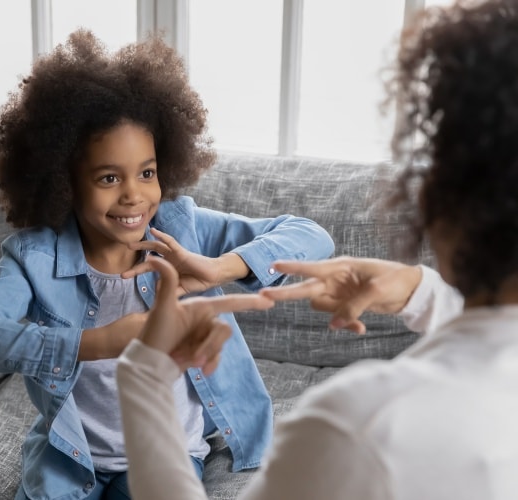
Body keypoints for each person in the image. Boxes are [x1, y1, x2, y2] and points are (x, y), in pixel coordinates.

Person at [115, 0, 518, 498]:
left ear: (442, 197)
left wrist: (144, 376)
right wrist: (421, 291)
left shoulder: (361, 425)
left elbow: (305, 233)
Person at [0, 30, 334, 500]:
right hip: (71, 456)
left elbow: (312, 236)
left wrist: (218, 269)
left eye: (147, 173)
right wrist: (97, 342)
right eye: (109, 177)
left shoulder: (182, 228)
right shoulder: (34, 257)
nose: (134, 195)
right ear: (63, 182)